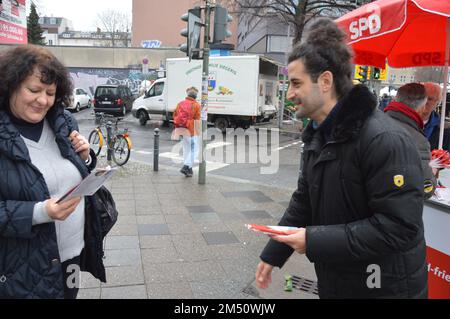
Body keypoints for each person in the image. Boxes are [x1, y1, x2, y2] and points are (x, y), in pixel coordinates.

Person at [255, 18, 427, 298]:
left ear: (325, 81)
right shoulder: (318, 136)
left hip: (385, 288)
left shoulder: (384, 139)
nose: (290, 94)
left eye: (296, 83)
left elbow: (398, 227)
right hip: (342, 280)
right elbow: (304, 202)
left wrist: (313, 240)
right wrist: (274, 253)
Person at [0, 45, 106, 298]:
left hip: (71, 255)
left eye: (50, 92)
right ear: (10, 85)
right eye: (34, 90)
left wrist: (86, 157)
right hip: (22, 267)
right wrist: (40, 212)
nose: (43, 100)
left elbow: (69, 173)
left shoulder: (62, 122)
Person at [384, 83, 436, 198]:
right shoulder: (419, 141)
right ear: (422, 107)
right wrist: (433, 171)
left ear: (395, 99)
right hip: (395, 209)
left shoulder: (372, 123)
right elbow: (426, 188)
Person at [173, 86, 201, 177]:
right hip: (191, 129)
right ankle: (186, 166)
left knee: (186, 148)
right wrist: (198, 132)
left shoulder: (180, 103)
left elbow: (175, 114)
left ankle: (189, 169)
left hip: (181, 128)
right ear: (195, 96)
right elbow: (197, 119)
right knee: (195, 149)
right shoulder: (196, 105)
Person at [418, 82, 450, 150]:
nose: (425, 101)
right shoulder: (403, 121)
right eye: (422, 97)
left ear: (438, 102)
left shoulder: (444, 128)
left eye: (429, 99)